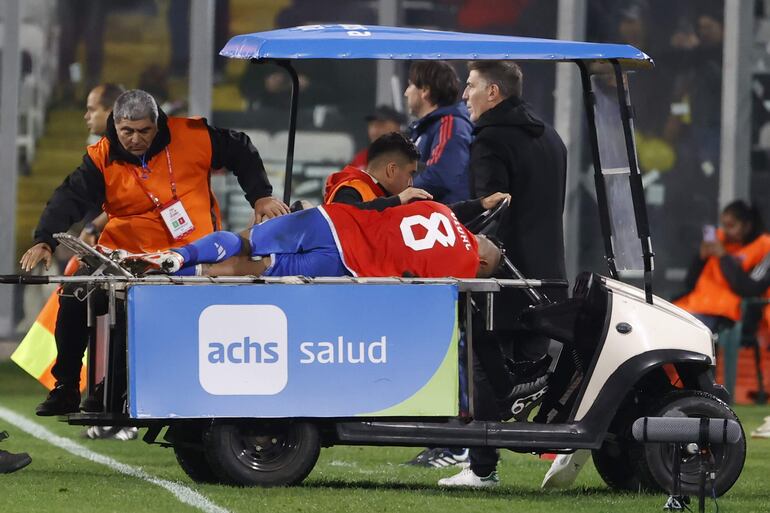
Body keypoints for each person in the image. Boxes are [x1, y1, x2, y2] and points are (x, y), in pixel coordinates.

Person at [19, 89, 288, 416]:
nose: (135, 139)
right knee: (75, 292)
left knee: (136, 305)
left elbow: (241, 149)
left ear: (157, 123)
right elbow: (68, 199)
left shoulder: (194, 136)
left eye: (144, 130)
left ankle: (113, 390)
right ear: (114, 124)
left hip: (189, 256)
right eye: (126, 131)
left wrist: (260, 196)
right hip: (120, 256)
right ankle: (66, 387)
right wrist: (44, 239)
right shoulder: (100, 157)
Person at [437, 60, 568, 488]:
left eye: (471, 86)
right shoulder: (551, 137)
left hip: (503, 276)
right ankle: (559, 446)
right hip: (547, 274)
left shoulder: (490, 139)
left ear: (494, 92)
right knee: (529, 371)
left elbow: (491, 212)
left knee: (481, 362)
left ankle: (481, 467)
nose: (464, 96)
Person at [675, 201, 770, 332]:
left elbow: (749, 288)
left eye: (731, 226)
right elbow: (690, 283)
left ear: (747, 226)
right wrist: (701, 258)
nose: (726, 231)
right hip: (693, 305)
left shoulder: (763, 246)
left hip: (721, 313)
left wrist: (724, 257)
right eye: (723, 225)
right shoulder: (718, 240)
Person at [404, 61, 473, 204]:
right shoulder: (426, 128)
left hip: (444, 219)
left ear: (424, 91)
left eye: (410, 85)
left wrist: (400, 193)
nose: (406, 93)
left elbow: (441, 175)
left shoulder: (451, 124)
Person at [326, 132, 417, 205]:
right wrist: (396, 200)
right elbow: (347, 216)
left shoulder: (383, 195)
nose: (411, 183)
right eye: (410, 173)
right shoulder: (349, 191)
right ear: (391, 170)